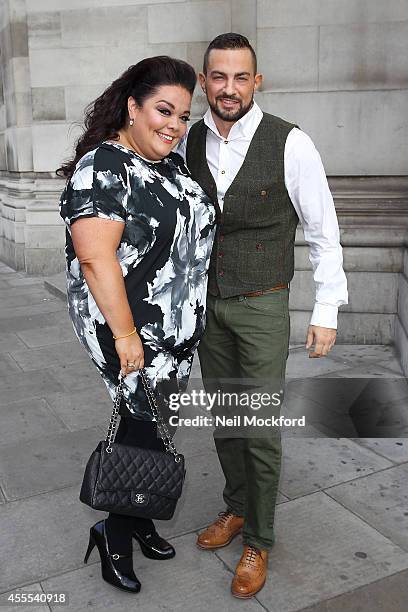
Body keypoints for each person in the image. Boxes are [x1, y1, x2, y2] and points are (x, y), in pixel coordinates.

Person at [178, 33, 348, 598]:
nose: (230, 89)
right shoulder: (186, 141)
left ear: (258, 80)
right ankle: (234, 507)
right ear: (204, 83)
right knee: (225, 419)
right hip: (208, 306)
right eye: (218, 78)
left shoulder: (291, 142)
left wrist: (326, 310)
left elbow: (324, 231)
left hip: (263, 303)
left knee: (260, 426)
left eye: (241, 77)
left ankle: (259, 537)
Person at [57, 56, 216, 593]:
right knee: (140, 425)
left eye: (182, 116)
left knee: (157, 422)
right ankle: (114, 532)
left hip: (174, 324)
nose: (173, 125)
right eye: (162, 111)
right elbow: (96, 258)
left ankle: (141, 512)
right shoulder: (104, 166)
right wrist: (126, 335)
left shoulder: (169, 164)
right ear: (133, 106)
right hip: (129, 325)